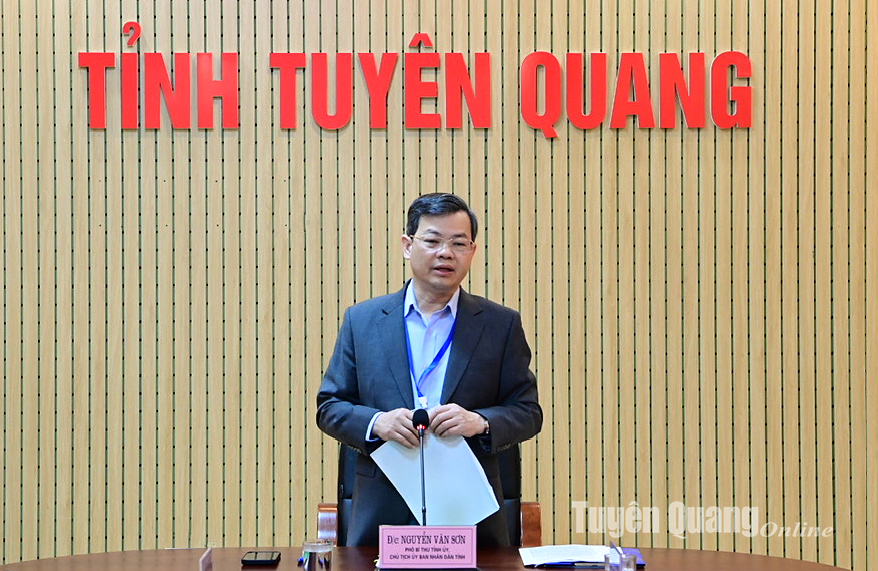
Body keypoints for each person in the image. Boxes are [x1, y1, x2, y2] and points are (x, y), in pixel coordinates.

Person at [316, 193, 542, 546]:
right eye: (433, 241)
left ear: (472, 251)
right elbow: (330, 406)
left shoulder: (500, 325)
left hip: (470, 512)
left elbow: (528, 412)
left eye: (458, 243)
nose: (446, 253)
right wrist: (377, 423)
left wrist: (480, 421)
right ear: (408, 246)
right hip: (382, 508)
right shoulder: (363, 321)